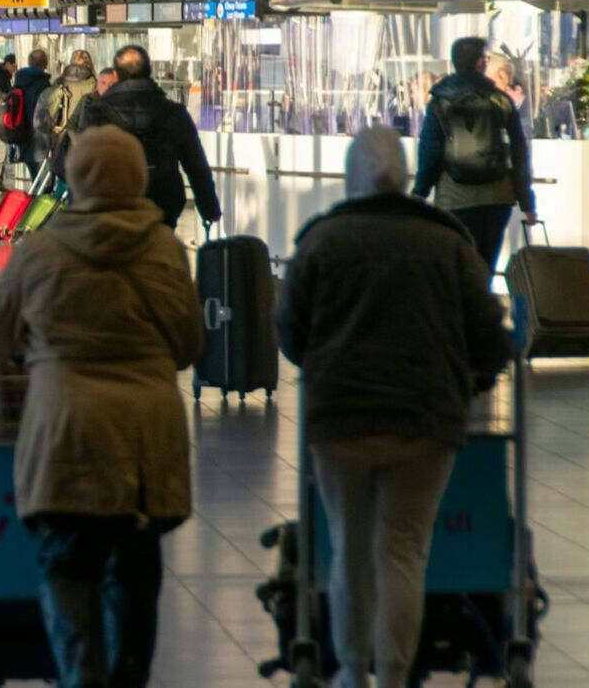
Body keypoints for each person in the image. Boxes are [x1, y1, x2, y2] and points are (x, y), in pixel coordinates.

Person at [0, 127, 201, 687]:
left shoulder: (40, 249)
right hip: (148, 440)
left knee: (69, 569)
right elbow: (188, 348)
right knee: (136, 573)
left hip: (67, 432)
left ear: (74, 176)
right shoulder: (166, 249)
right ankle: (127, 676)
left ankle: (82, 675)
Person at [277, 127, 510, 688]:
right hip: (424, 423)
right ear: (404, 177)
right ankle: (396, 674)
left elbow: (289, 332)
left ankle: (352, 671)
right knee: (404, 553)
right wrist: (471, 377)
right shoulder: (448, 243)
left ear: (351, 176)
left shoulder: (322, 240)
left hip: (342, 422)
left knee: (350, 551)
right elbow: (490, 339)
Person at [410, 37, 536, 272]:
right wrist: (526, 199)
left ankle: (461, 306)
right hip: (496, 197)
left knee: (456, 265)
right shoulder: (500, 100)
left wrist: (420, 192)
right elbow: (519, 151)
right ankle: (481, 302)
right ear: (479, 63)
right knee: (484, 265)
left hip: (454, 198)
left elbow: (430, 150)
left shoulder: (439, 101)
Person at [78, 46, 221, 230]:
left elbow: (82, 165)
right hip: (162, 205)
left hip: (113, 206)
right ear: (149, 70)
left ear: (116, 74)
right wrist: (209, 210)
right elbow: (196, 165)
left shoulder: (96, 112)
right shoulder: (174, 113)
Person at [38, 50, 99, 194]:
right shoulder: (93, 83)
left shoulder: (61, 81)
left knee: (62, 177)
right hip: (82, 137)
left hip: (60, 136)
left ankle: (59, 206)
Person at [9, 49, 54, 178]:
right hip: (39, 138)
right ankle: (37, 198)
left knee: (35, 178)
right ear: (45, 64)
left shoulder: (19, 81)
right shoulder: (43, 84)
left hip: (22, 136)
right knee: (43, 182)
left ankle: (35, 197)